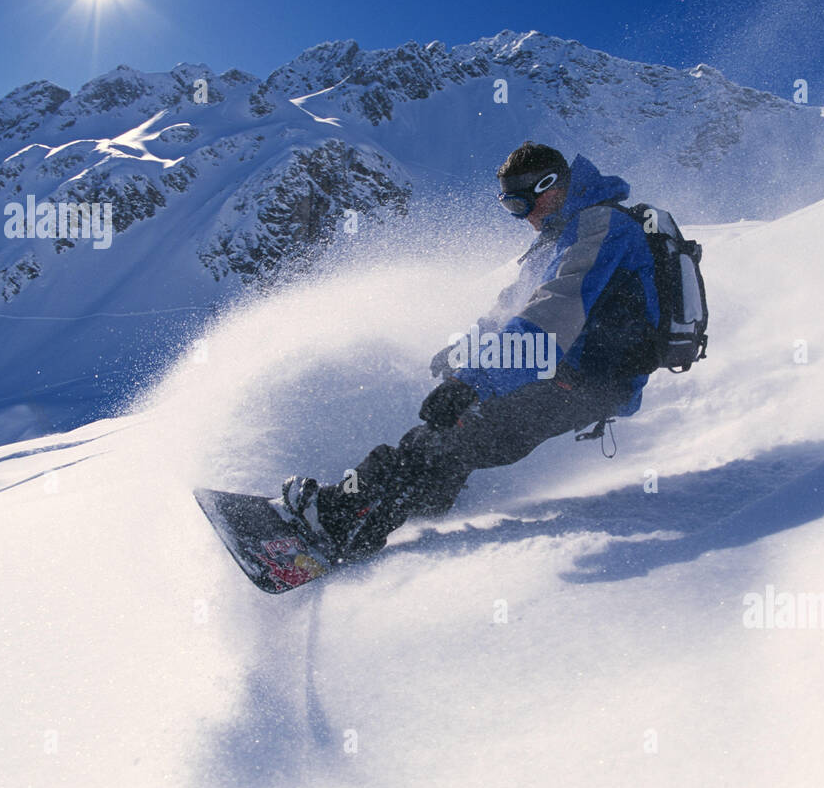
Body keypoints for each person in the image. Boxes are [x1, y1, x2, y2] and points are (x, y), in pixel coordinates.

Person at [281, 142, 662, 560]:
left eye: (520, 205)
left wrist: (472, 383)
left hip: (585, 382)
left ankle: (336, 521)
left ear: (551, 188)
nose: (521, 218)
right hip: (561, 374)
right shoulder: (562, 234)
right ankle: (402, 505)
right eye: (508, 207)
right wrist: (465, 349)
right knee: (450, 439)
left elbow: (548, 320)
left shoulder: (600, 228)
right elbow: (512, 309)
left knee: (446, 439)